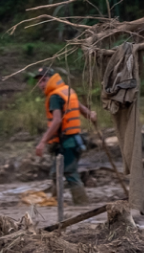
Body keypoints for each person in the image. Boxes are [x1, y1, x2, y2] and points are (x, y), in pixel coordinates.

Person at [31, 68, 96, 205]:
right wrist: (91, 116)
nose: (41, 84)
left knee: (70, 173)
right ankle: (55, 202)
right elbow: (83, 110)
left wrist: (42, 142)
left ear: (52, 79)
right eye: (39, 82)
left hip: (67, 142)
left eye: (44, 80)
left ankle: (82, 204)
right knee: (56, 173)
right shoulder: (67, 91)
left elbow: (57, 121)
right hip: (74, 141)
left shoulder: (55, 96)